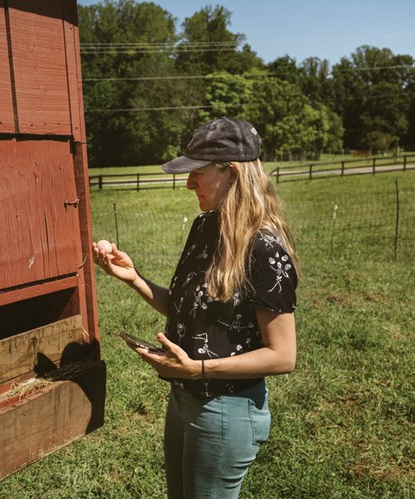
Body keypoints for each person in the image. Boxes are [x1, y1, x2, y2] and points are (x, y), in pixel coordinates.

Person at [93, 117, 299, 499]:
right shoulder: (205, 227)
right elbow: (185, 309)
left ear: (232, 174)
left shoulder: (264, 249)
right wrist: (133, 278)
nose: (188, 183)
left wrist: (197, 368)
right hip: (184, 399)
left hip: (226, 411)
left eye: (197, 173)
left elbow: (283, 356)